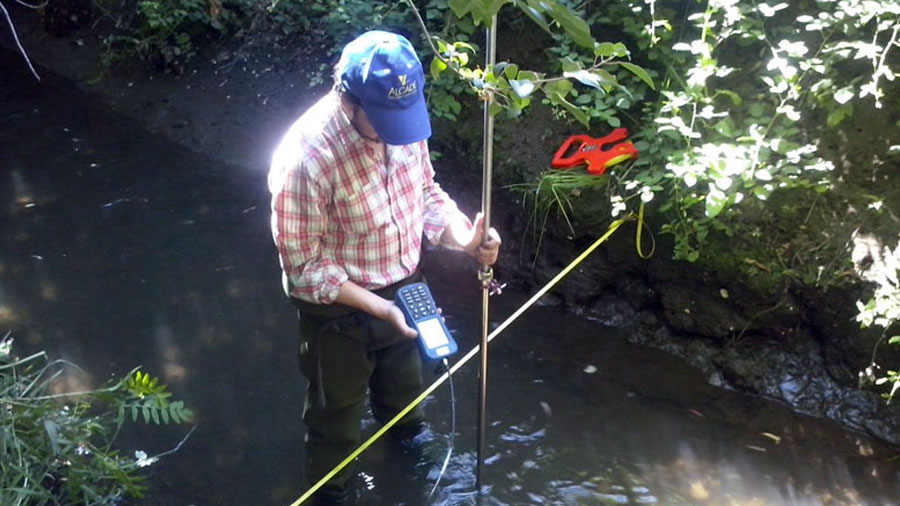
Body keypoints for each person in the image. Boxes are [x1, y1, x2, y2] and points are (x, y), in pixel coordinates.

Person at [268, 30, 501, 504]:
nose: (396, 133)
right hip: (336, 311)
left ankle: (412, 472)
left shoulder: (404, 123)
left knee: (406, 401)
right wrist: (378, 307)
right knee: (336, 423)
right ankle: (332, 494)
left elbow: (427, 194)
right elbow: (303, 267)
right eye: (383, 122)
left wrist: (464, 238)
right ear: (348, 100)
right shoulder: (305, 157)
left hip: (405, 289)